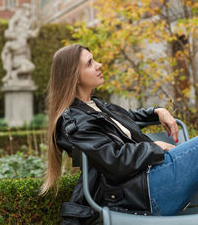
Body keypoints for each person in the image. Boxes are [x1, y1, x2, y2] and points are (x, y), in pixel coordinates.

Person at [41, 44, 198, 225]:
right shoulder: (74, 121)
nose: (99, 65)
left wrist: (157, 110)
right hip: (144, 193)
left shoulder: (97, 106)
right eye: (90, 63)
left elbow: (128, 116)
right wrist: (154, 147)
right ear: (74, 77)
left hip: (153, 179)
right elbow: (113, 161)